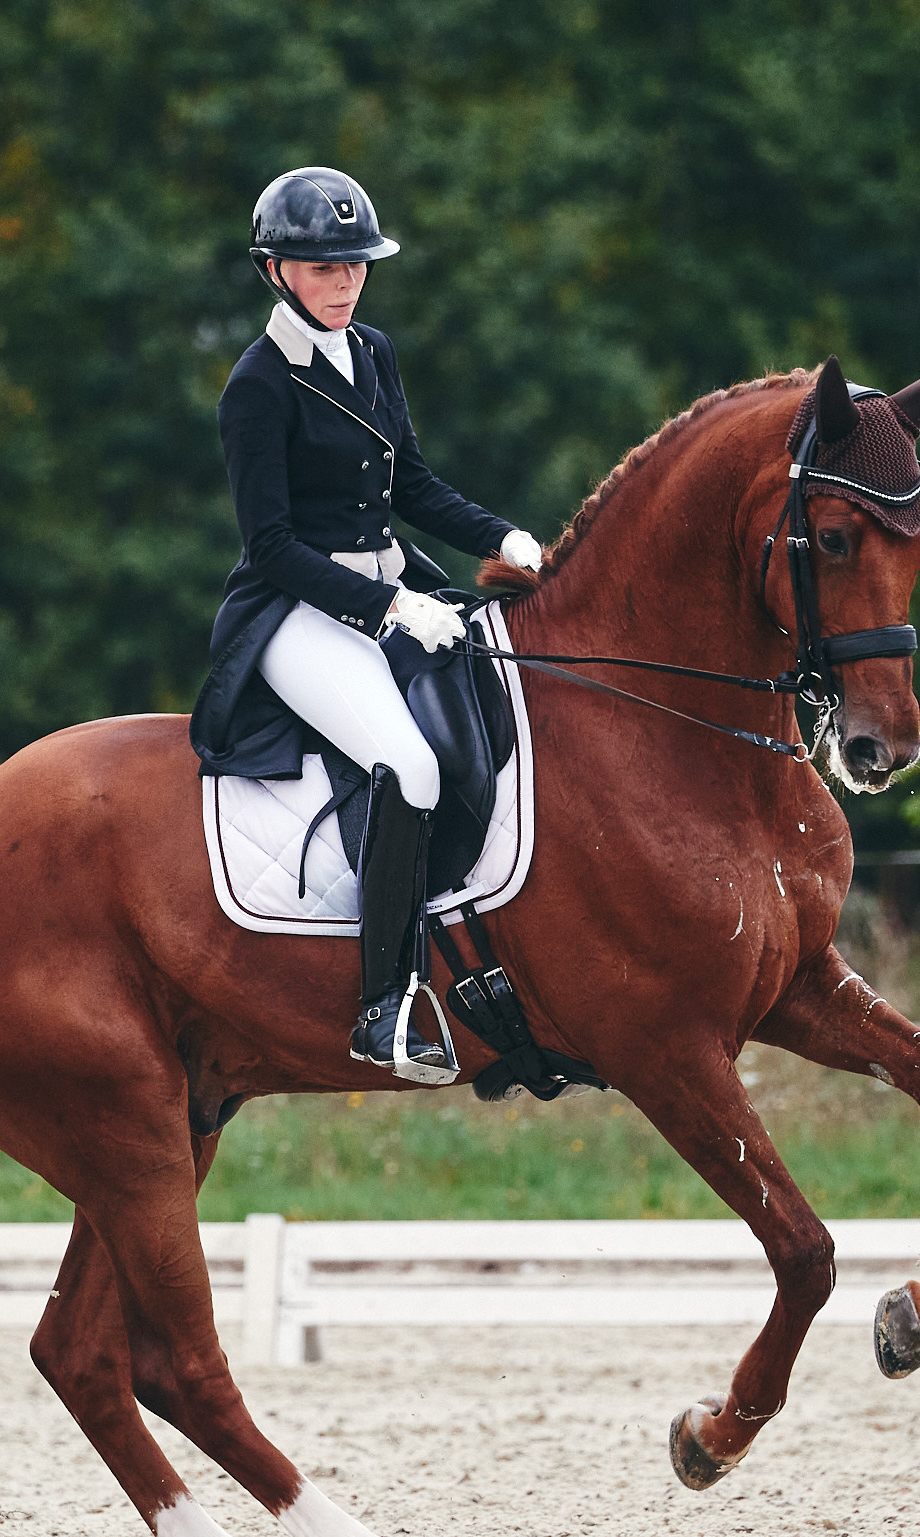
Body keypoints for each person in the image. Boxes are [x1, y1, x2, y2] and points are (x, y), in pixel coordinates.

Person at [190, 166, 542, 1083]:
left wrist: (501, 532)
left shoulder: (374, 353)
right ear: (276, 270)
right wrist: (388, 607)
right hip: (296, 614)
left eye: (355, 265)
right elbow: (270, 547)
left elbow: (411, 486)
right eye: (322, 267)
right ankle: (382, 1006)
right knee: (408, 764)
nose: (345, 281)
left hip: (397, 590)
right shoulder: (257, 388)